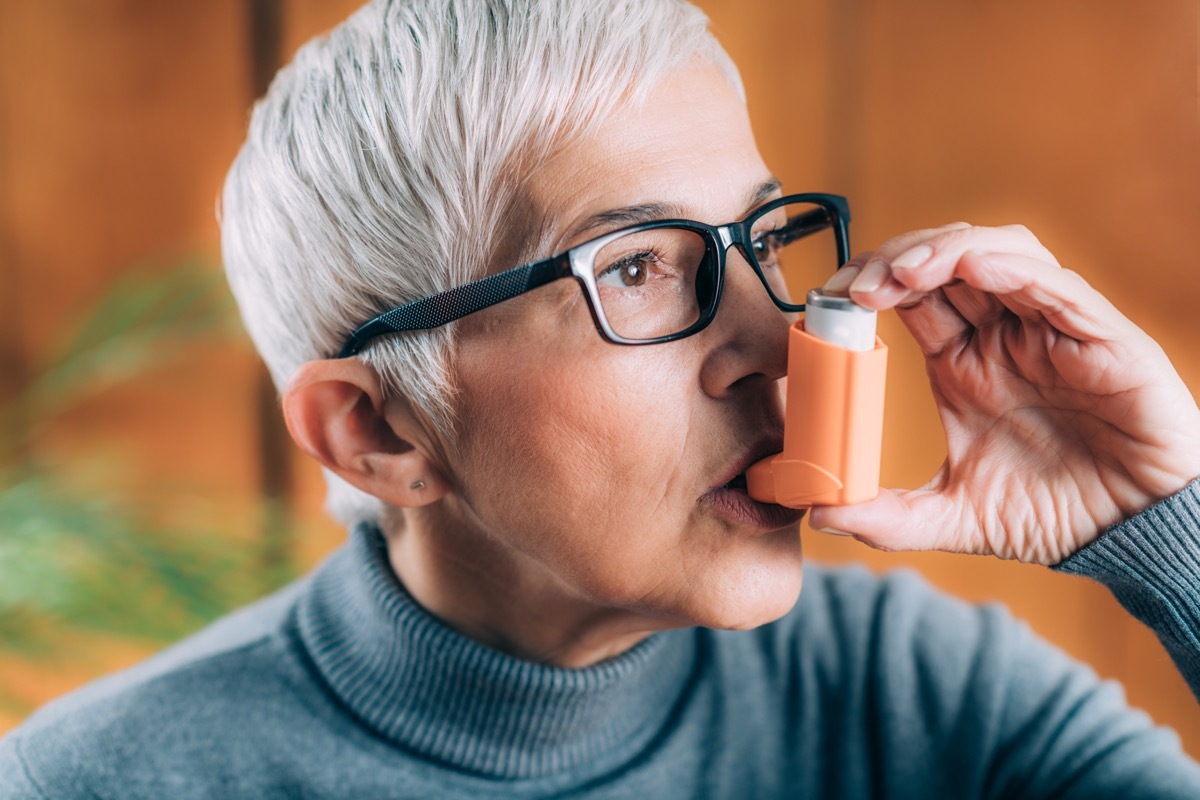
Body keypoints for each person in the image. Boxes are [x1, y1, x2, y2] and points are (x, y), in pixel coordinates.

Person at [3, 0, 1199, 796]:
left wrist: (1171, 530)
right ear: (377, 430)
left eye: (760, 242)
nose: (778, 343)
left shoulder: (909, 695)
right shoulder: (96, 782)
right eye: (631, 267)